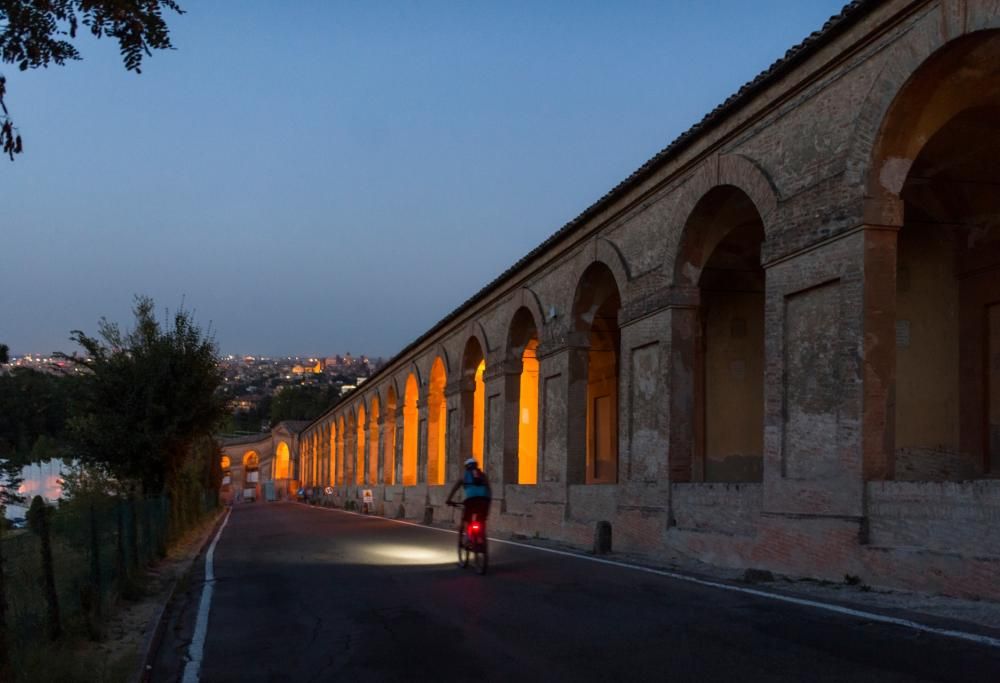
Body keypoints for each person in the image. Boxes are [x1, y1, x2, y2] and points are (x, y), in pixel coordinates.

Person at [446, 458, 491, 526]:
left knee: (465, 519)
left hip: (471, 500)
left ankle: (461, 534)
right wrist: (488, 500)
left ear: (466, 467)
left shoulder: (464, 476)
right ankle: (483, 535)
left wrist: (448, 500)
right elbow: (489, 489)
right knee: (482, 519)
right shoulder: (483, 475)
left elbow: (454, 489)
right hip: (484, 500)